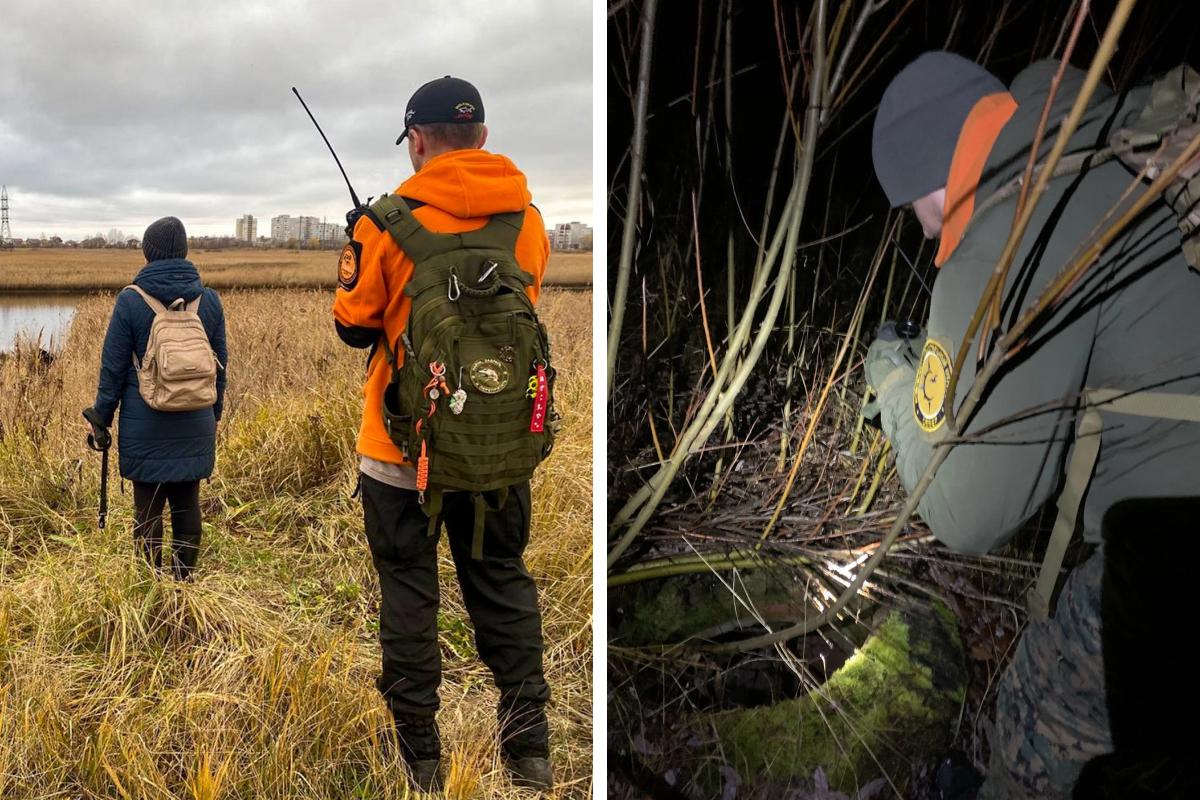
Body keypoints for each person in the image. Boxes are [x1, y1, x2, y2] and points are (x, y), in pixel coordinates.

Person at [867, 52, 1200, 798]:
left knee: (1038, 705)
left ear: (931, 172)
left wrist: (893, 380)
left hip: (1182, 541)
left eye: (911, 209)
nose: (923, 234)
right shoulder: (1107, 136)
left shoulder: (1004, 229)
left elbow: (966, 514)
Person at [332, 76, 554, 793]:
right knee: (502, 584)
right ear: (483, 137)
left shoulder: (384, 223)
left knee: (408, 594)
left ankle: (421, 760)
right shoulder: (529, 221)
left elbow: (350, 326)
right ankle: (529, 753)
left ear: (417, 142)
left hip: (402, 455)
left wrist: (359, 247)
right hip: (499, 452)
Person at [86, 216, 227, 581]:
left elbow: (113, 370)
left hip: (144, 423)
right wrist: (215, 413)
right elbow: (220, 366)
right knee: (187, 505)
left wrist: (101, 417)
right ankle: (183, 586)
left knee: (147, 510)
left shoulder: (131, 301)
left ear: (148, 252)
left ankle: (152, 592)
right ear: (184, 251)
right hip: (196, 419)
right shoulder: (208, 300)